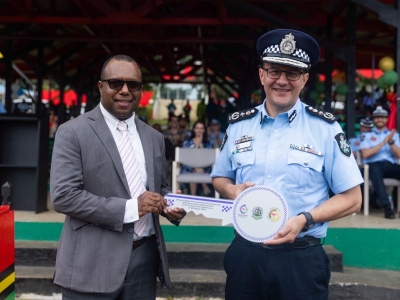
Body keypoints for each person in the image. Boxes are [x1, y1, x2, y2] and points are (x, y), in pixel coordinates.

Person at [211, 29, 363, 299]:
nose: (282, 81)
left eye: (292, 73)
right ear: (261, 75)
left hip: (301, 261)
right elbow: (220, 177)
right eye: (274, 71)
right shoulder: (238, 125)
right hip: (246, 257)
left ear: (304, 79)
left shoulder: (325, 128)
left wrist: (305, 219)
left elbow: (352, 198)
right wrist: (232, 191)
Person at [50, 54, 186, 299]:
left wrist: (169, 204)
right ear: (101, 87)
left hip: (144, 262)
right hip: (91, 263)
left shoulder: (154, 137)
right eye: (115, 83)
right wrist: (131, 208)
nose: (125, 91)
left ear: (141, 90)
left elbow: (160, 187)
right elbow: (64, 196)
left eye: (132, 85)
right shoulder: (72, 132)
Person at [360, 106, 400, 219]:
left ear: (387, 119)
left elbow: (399, 155)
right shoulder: (366, 135)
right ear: (373, 119)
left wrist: (391, 142)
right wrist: (383, 143)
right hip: (374, 165)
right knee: (375, 170)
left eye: (382, 117)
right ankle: (387, 207)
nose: (380, 119)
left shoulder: (394, 135)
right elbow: (365, 154)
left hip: (390, 165)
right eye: (377, 117)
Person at [181, 120, 213, 196]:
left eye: (201, 128)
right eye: (197, 128)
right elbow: (187, 159)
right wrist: (197, 145)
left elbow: (207, 159)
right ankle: (205, 187)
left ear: (204, 130)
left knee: (196, 169)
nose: (199, 130)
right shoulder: (187, 142)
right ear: (194, 129)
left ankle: (193, 196)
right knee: (194, 168)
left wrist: (201, 146)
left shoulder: (208, 143)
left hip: (205, 167)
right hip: (188, 166)